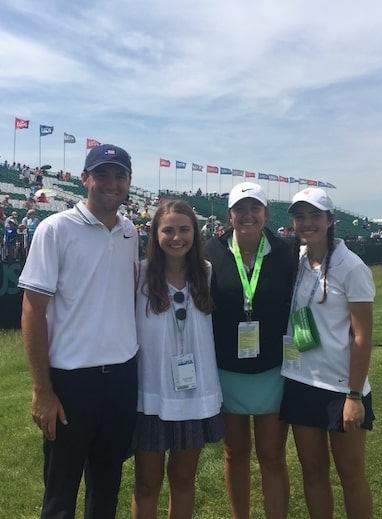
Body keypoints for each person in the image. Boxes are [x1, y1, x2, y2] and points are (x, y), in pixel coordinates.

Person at [18, 144, 139, 519]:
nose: (111, 183)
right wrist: (42, 390)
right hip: (71, 382)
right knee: (60, 495)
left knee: (106, 491)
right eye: (102, 174)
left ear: (129, 182)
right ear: (84, 179)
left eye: (119, 175)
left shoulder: (130, 231)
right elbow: (32, 310)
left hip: (121, 378)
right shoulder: (55, 228)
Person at [280, 187, 375, 519]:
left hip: (340, 388)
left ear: (331, 220)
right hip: (300, 380)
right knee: (313, 472)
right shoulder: (300, 259)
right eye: (300, 216)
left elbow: (362, 336)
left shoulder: (352, 267)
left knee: (351, 476)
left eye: (315, 216)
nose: (307, 223)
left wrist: (354, 395)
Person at [205, 182, 293, 519]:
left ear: (266, 213)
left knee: (272, 455)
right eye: (240, 209)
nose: (247, 215)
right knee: (234, 453)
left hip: (272, 369)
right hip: (227, 370)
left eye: (254, 208)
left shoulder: (286, 253)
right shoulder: (209, 251)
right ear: (230, 215)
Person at [132, 200, 224, 519]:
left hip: (193, 395)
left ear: (195, 234)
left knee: (183, 481)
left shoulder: (207, 273)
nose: (176, 237)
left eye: (184, 229)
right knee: (147, 484)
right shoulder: (139, 274)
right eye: (167, 230)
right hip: (152, 396)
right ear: (155, 234)